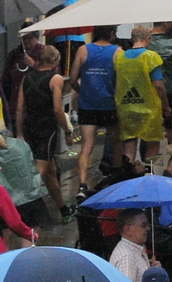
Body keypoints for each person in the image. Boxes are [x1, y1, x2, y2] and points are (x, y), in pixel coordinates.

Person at [14, 42, 70, 220]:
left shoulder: (27, 78)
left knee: (51, 172)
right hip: (47, 129)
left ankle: (63, 209)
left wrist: (20, 133)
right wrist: (67, 130)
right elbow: (57, 109)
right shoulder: (56, 79)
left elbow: (20, 109)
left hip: (30, 127)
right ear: (55, 60)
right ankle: (21, 213)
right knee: (40, 172)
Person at [67, 24, 121, 192]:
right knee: (116, 142)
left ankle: (82, 184)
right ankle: (116, 177)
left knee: (86, 145)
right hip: (109, 105)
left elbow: (72, 78)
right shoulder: (118, 52)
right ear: (112, 33)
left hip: (87, 105)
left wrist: (82, 91)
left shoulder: (83, 50)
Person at [114, 25, 169, 163]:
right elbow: (159, 85)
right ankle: (148, 175)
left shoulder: (120, 57)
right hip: (149, 109)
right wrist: (166, 106)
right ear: (147, 38)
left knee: (129, 148)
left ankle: (129, 174)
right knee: (152, 146)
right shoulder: (150, 57)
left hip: (126, 108)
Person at [111, 208, 151, 282]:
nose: (148, 228)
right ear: (127, 228)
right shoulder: (127, 258)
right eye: (143, 225)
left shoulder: (134, 249)